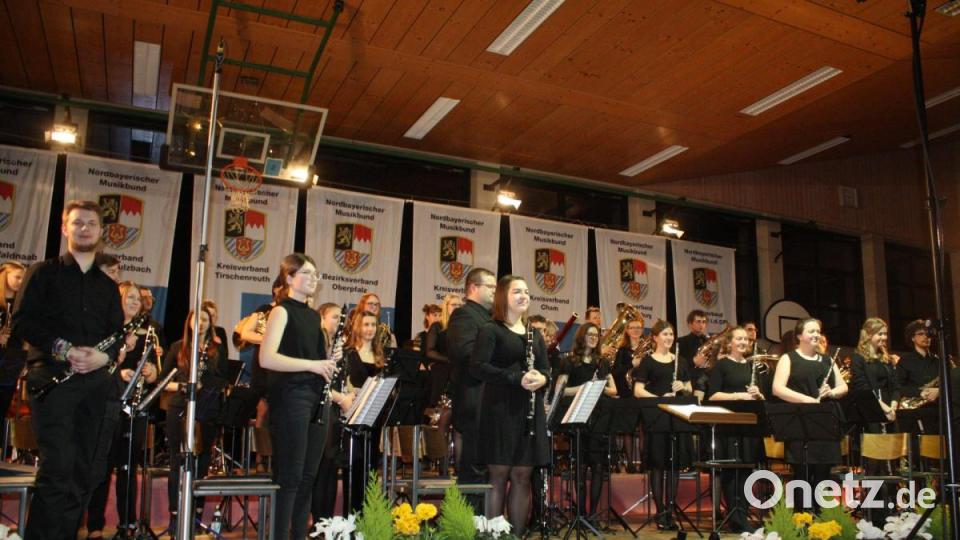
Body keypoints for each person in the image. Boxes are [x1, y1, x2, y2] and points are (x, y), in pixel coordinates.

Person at [13, 200, 124, 540]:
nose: (85, 228)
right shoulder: (43, 272)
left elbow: (117, 335)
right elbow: (22, 322)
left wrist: (103, 359)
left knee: (85, 474)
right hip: (52, 382)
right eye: (77, 223)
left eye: (91, 223)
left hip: (95, 386)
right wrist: (66, 350)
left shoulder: (107, 287)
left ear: (101, 231)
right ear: (65, 228)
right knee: (57, 469)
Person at [259, 254, 339, 539]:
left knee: (307, 477)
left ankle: (298, 536)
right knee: (290, 477)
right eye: (306, 272)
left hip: (315, 400)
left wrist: (329, 359)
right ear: (289, 278)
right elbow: (266, 358)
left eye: (315, 273)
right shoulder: (281, 311)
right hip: (291, 398)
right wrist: (312, 365)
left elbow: (314, 361)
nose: (313, 277)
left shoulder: (313, 317)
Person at [470, 275, 549, 535]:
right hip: (500, 410)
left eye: (526, 291)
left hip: (528, 411)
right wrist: (516, 378)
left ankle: (516, 534)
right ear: (504, 295)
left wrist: (542, 378)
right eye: (518, 291)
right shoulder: (491, 330)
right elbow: (479, 367)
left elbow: (546, 369)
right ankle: (494, 534)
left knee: (523, 477)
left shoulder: (534, 334)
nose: (524, 296)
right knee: (499, 476)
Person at [86, 282, 160, 539]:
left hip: (134, 407)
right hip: (107, 403)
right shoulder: (107, 331)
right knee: (102, 467)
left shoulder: (148, 332)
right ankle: (95, 525)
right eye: (129, 297)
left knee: (129, 467)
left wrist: (151, 373)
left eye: (137, 299)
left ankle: (127, 524)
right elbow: (93, 365)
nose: (134, 302)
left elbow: (154, 371)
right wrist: (120, 371)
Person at [161, 306, 229, 534]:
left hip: (206, 411)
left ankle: (196, 515)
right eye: (196, 319)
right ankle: (175, 515)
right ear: (189, 322)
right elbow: (162, 382)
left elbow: (223, 380)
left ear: (210, 324)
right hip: (179, 409)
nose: (200, 323)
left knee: (201, 461)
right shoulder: (177, 348)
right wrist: (184, 386)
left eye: (205, 320)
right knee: (177, 461)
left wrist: (206, 385)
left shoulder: (217, 350)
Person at [771, 318, 848, 509]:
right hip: (800, 421)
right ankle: (802, 519)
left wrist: (831, 392)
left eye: (818, 331)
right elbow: (777, 388)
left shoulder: (827, 360)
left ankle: (821, 520)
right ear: (799, 336)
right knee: (802, 475)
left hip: (824, 421)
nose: (816, 334)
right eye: (811, 331)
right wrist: (807, 400)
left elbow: (843, 387)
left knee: (823, 475)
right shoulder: (788, 358)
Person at [632, 320, 693, 531]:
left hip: (676, 419)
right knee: (658, 465)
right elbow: (638, 391)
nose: (669, 338)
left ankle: (670, 510)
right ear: (655, 337)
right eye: (665, 334)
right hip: (657, 418)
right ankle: (660, 511)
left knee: (674, 465)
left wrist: (682, 387)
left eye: (671, 334)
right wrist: (659, 399)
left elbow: (690, 389)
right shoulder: (648, 362)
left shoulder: (681, 362)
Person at [706, 326, 765, 533]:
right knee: (731, 472)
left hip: (748, 427)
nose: (743, 342)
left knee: (747, 471)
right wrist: (738, 396)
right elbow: (712, 396)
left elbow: (761, 400)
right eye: (738, 339)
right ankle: (735, 515)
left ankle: (743, 513)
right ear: (729, 342)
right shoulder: (722, 365)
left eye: (745, 339)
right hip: (728, 426)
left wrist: (758, 394)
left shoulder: (752, 368)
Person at [445, 267, 496, 498]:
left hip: (489, 401)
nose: (496, 291)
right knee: (474, 468)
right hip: (474, 399)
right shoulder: (463, 315)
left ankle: (484, 523)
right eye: (491, 287)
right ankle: (467, 524)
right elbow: (464, 352)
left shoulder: (491, 317)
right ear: (474, 287)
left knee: (486, 468)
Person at [561, 323, 617, 517]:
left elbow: (614, 390)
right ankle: (581, 515)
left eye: (597, 334)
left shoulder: (602, 363)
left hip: (599, 418)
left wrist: (598, 387)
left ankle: (592, 514)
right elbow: (561, 391)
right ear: (582, 336)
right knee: (581, 467)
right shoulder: (570, 361)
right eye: (590, 334)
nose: (594, 337)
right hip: (579, 419)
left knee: (598, 466)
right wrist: (585, 387)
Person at [849, 318, 900, 522]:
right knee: (874, 466)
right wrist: (884, 408)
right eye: (880, 334)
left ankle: (891, 509)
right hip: (870, 415)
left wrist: (894, 405)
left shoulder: (886, 358)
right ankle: (874, 513)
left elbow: (895, 386)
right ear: (868, 334)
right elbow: (861, 386)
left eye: (885, 334)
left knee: (892, 464)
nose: (883, 338)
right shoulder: (858, 358)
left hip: (890, 414)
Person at [339, 310, 386, 512]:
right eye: (366, 325)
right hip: (354, 417)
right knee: (355, 465)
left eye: (373, 325)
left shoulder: (380, 355)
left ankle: (369, 515)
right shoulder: (348, 352)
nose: (370, 329)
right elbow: (344, 385)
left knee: (371, 466)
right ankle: (353, 513)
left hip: (374, 416)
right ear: (358, 327)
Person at [423, 294, 462, 406]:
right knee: (439, 411)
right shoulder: (437, 326)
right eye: (454, 304)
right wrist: (448, 360)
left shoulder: (465, 327)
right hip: (441, 372)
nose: (457, 307)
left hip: (460, 372)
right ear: (446, 306)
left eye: (460, 305)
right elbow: (430, 351)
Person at [0, 260, 26, 416]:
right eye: (17, 277)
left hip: (12, 358)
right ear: (5, 275)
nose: (21, 282)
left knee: (4, 402)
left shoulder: (21, 304)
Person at [896, 320, 940, 404]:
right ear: (912, 338)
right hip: (916, 410)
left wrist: (939, 391)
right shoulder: (905, 361)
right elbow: (898, 387)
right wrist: (919, 392)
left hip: (939, 408)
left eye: (928, 334)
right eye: (920, 334)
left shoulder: (939, 360)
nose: (926, 337)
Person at [676, 310, 709, 393]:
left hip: (709, 380)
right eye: (698, 322)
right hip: (691, 382)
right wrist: (693, 361)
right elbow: (677, 363)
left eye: (704, 322)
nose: (701, 325)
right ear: (690, 324)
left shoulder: (709, 341)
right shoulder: (681, 341)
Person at [613, 317, 646, 398]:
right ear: (627, 331)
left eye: (638, 327)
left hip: (644, 391)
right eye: (632, 328)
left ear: (642, 330)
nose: (636, 330)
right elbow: (615, 373)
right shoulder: (622, 350)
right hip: (626, 393)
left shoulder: (648, 348)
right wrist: (631, 364)